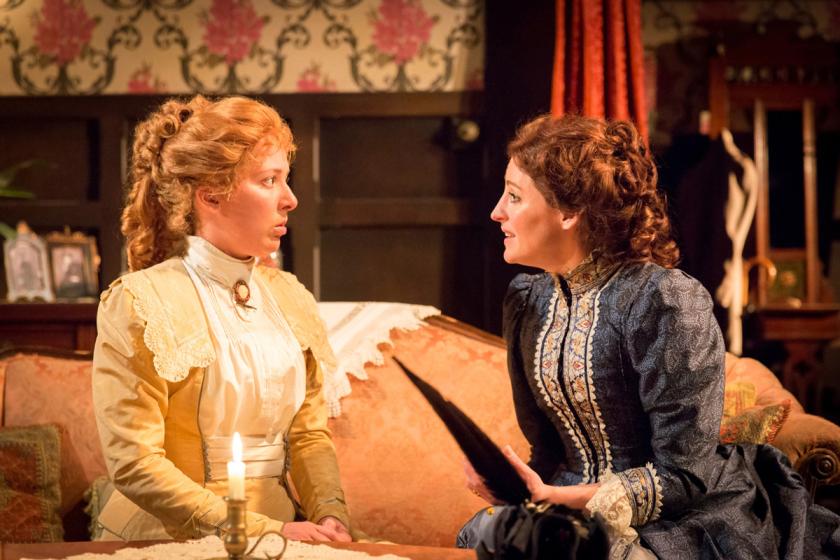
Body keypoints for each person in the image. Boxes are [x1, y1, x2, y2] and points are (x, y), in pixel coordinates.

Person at [457, 114, 840, 559]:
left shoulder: (664, 300)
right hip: (568, 507)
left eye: (514, 196)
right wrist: (514, 484)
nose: (497, 212)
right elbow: (547, 453)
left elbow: (686, 477)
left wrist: (555, 498)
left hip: (681, 520)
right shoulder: (529, 301)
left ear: (569, 212)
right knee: (483, 533)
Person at [92, 95, 351, 543]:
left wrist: (330, 515)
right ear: (210, 195)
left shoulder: (290, 298)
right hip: (168, 534)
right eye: (269, 180)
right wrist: (263, 530)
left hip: (291, 531)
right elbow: (134, 463)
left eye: (285, 180)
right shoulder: (140, 301)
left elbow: (308, 435)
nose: (290, 199)